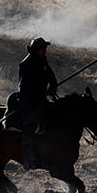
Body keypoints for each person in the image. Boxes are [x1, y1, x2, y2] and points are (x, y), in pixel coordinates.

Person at [18, 37, 58, 169]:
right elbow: (24, 88)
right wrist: (39, 93)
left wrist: (53, 86)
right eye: (43, 49)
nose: (45, 51)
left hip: (40, 99)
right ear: (36, 50)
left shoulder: (43, 60)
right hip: (28, 101)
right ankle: (28, 157)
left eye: (45, 48)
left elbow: (51, 76)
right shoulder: (26, 64)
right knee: (30, 124)